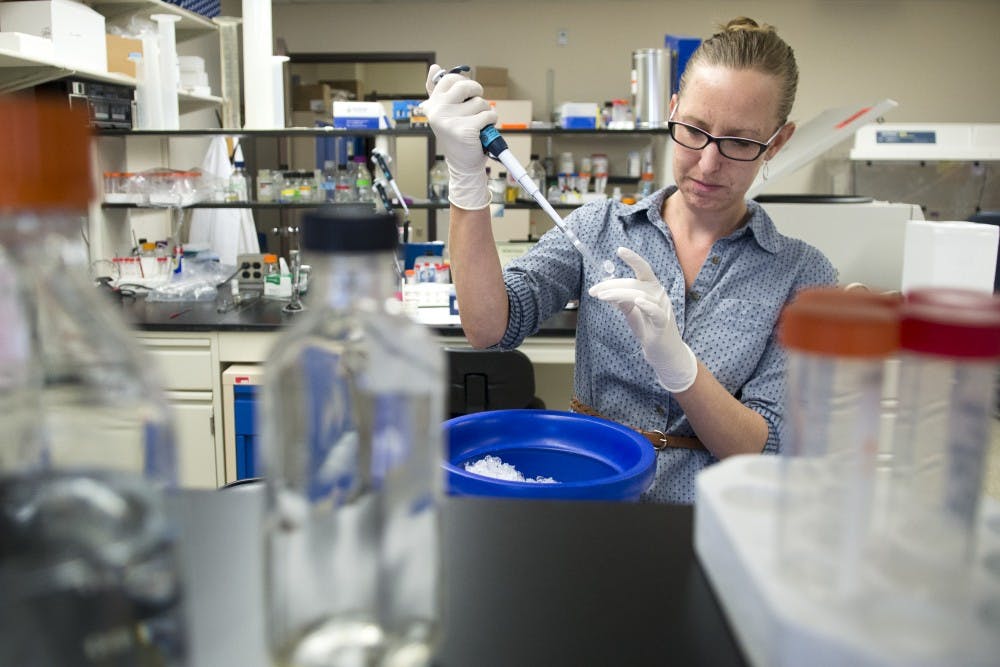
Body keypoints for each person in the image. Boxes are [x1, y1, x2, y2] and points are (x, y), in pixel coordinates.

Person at [422, 17, 838, 503]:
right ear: (673, 111)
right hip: (594, 505)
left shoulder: (802, 277)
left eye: (740, 142)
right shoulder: (599, 226)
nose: (707, 163)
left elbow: (764, 451)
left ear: (779, 141)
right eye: (695, 130)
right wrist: (466, 177)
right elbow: (488, 327)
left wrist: (680, 368)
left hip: (711, 522)